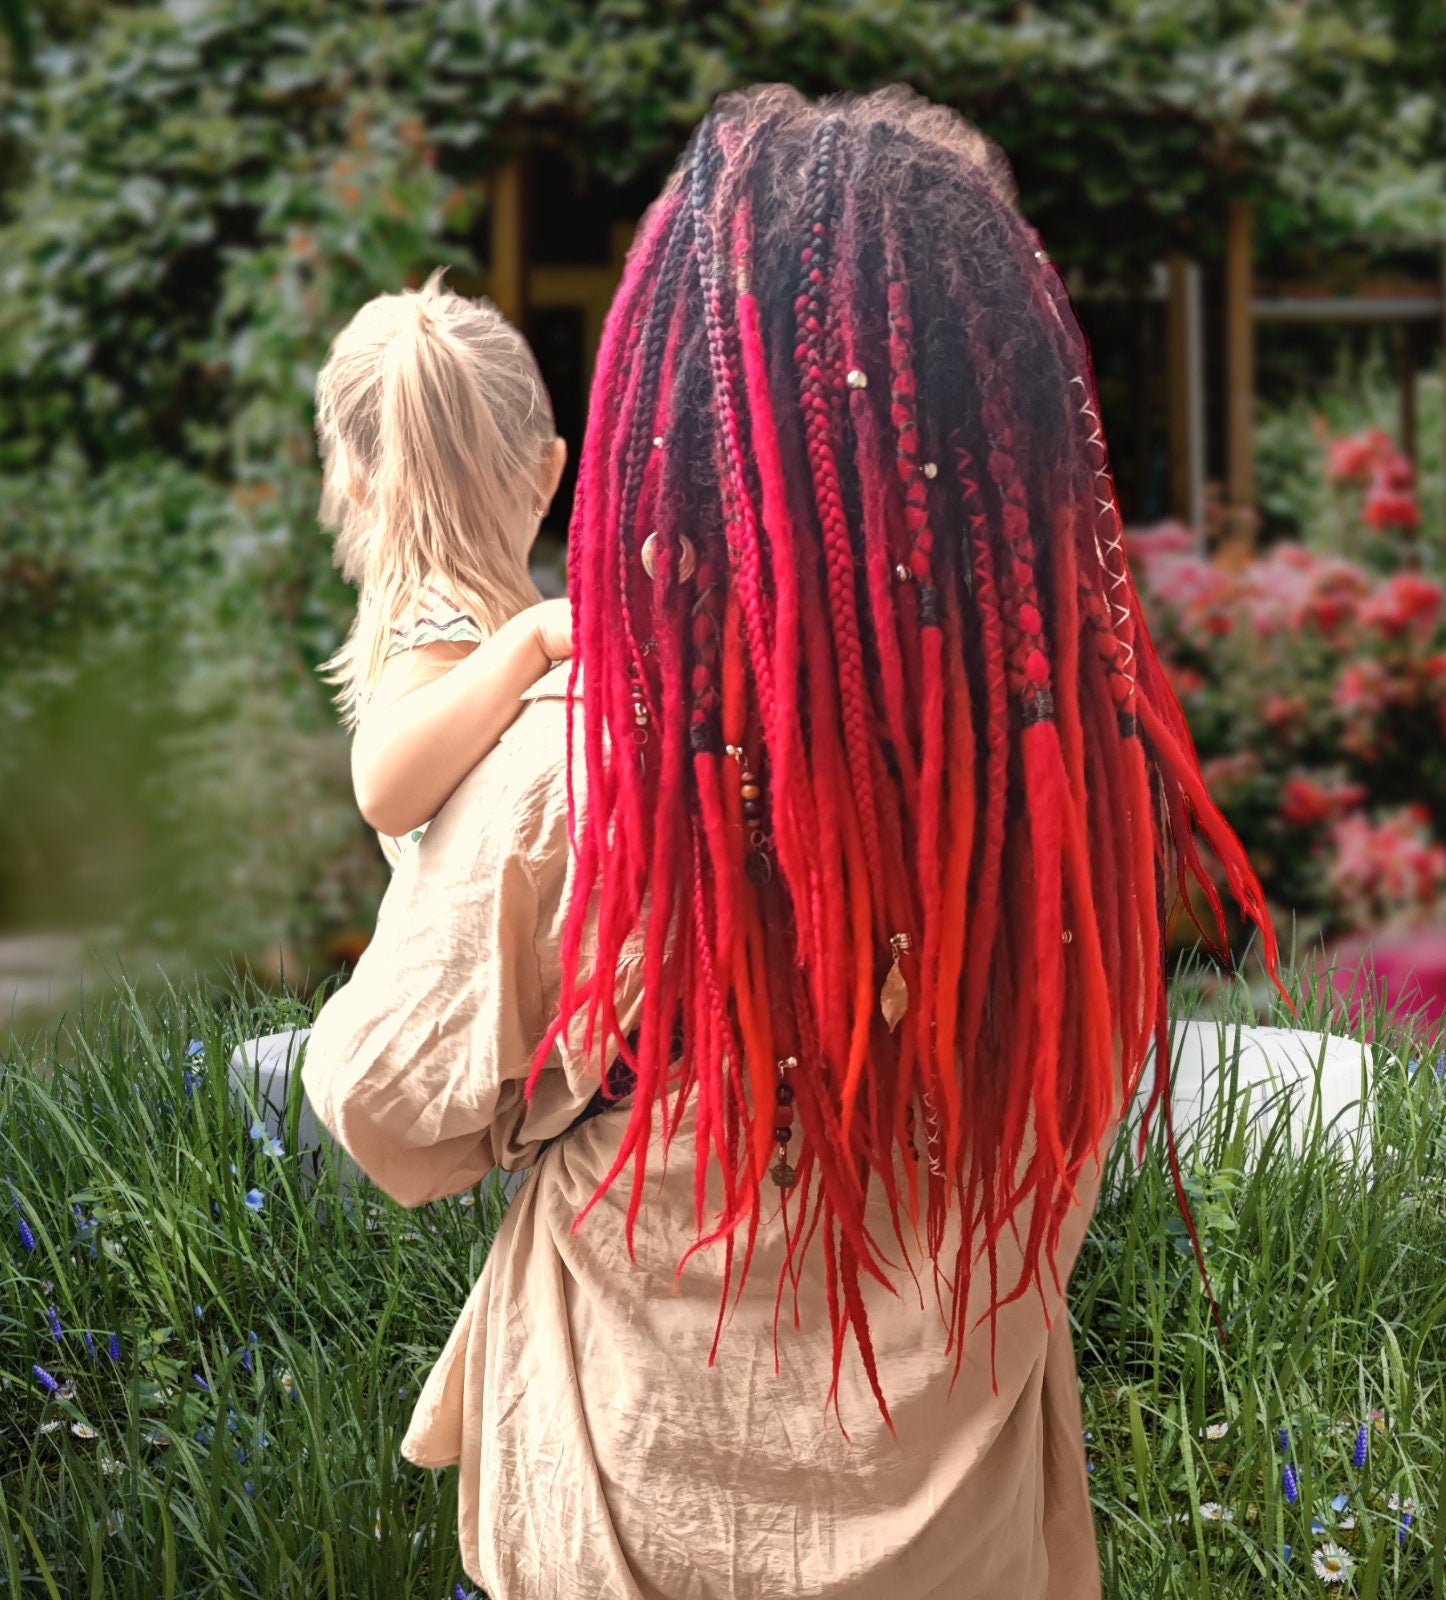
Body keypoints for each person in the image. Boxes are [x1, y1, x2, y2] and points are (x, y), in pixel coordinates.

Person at [301, 84, 1281, 1600]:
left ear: (676, 426)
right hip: (968, 1554)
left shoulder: (596, 780)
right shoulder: (1065, 807)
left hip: (628, 1534)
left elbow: (389, 1112)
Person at [313, 267, 573, 867]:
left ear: (353, 484)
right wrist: (529, 641)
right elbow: (385, 788)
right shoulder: (443, 615)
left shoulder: (482, 619)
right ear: (549, 473)